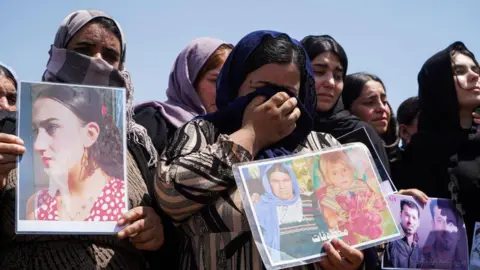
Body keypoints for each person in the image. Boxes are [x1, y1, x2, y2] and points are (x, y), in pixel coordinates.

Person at [154, 30, 365, 270]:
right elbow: (169, 198)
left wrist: (351, 262)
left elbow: (360, 231)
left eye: (289, 92)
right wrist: (251, 136)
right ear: (236, 85)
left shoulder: (323, 148)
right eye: (262, 87)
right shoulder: (202, 133)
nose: (276, 100)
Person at [0, 10, 171, 269]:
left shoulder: (135, 146)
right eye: (84, 49)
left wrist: (156, 230)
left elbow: (165, 238)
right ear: (58, 54)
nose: (98, 61)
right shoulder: (11, 129)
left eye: (110, 55)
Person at [401, 42, 480, 247]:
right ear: (438, 83)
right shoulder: (416, 154)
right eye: (459, 71)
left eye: (476, 69)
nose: (474, 75)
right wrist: (397, 202)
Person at [26, 85, 124, 222]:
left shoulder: (123, 198)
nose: (38, 145)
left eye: (52, 127)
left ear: (90, 134)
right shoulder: (37, 205)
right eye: (36, 131)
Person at [300, 35, 390, 173]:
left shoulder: (360, 134)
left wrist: (398, 195)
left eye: (337, 76)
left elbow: (383, 191)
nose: (330, 83)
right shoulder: (279, 128)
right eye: (318, 72)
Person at [133, 38, 233, 156]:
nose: (224, 91)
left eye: (231, 83)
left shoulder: (233, 134)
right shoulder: (153, 122)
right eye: (215, 80)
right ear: (189, 82)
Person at [255, 163, 327, 263]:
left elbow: (325, 230)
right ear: (268, 184)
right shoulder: (263, 206)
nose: (282, 186)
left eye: (286, 180)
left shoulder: (310, 200)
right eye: (275, 181)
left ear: (292, 181)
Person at [315, 150, 388, 246]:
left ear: (352, 169)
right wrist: (332, 217)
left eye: (344, 170)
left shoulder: (360, 184)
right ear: (328, 177)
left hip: (367, 220)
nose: (342, 175)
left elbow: (374, 198)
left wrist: (377, 202)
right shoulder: (330, 192)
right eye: (335, 173)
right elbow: (328, 209)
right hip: (347, 229)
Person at [342, 72, 401, 164]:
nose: (382, 108)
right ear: (346, 109)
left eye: (384, 102)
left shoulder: (406, 159)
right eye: (369, 102)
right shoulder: (338, 157)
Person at [421, 200, 466, 269]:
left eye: (451, 223)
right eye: (440, 221)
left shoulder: (470, 263)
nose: (446, 229)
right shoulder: (418, 259)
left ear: (459, 232)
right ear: (433, 225)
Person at [384, 199, 423, 268]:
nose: (410, 221)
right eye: (407, 215)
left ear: (418, 222)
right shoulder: (388, 241)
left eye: (414, 218)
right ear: (400, 215)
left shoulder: (419, 249)